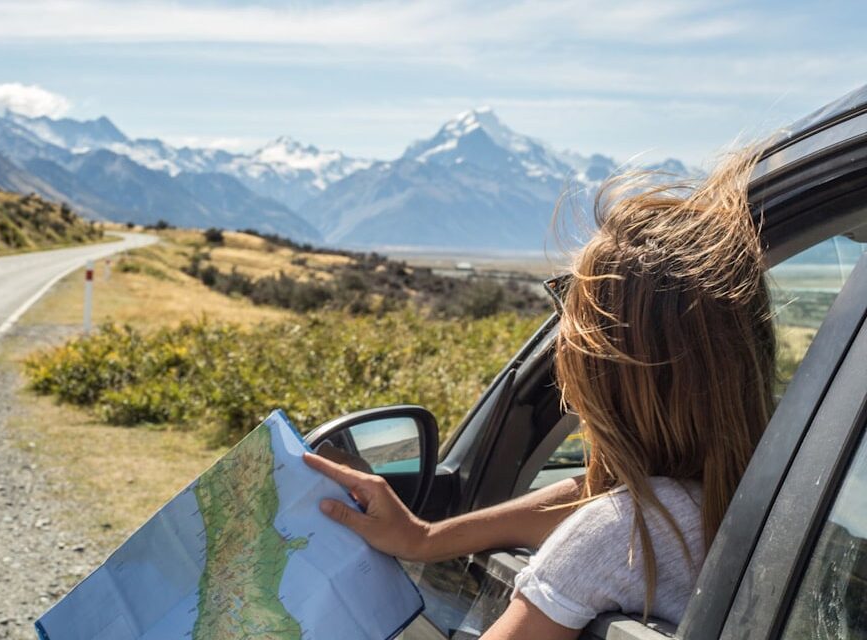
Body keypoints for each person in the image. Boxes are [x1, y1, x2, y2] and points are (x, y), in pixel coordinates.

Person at [305, 149, 777, 639]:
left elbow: (607, 520)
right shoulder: (760, 497)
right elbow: (589, 498)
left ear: (602, 368)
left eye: (570, 313)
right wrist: (424, 539)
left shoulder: (622, 536)